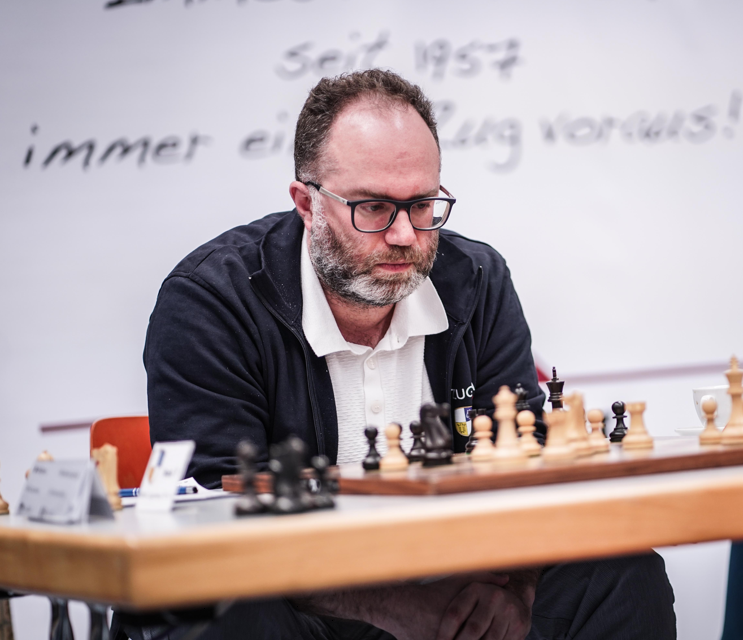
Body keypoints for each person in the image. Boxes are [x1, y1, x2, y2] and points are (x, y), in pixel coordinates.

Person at [142, 70, 675, 640]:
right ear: (306, 203)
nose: (403, 235)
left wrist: (517, 588)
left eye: (422, 205)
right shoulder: (211, 302)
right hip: (304, 599)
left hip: (459, 584)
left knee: (624, 575)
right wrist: (393, 607)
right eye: (373, 207)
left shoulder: (476, 281)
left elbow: (526, 469)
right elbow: (216, 528)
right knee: (225, 616)